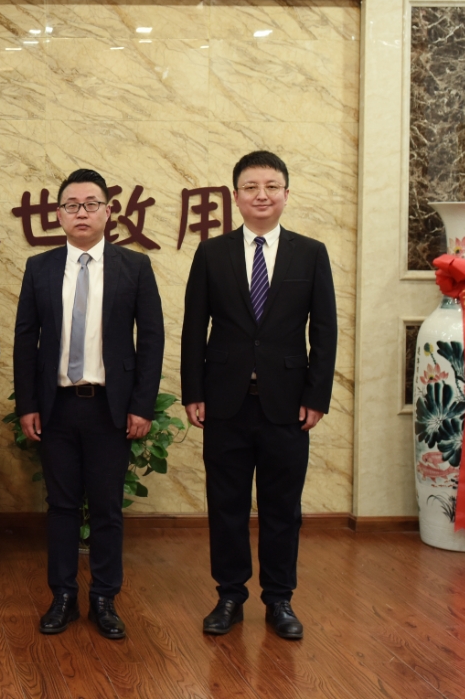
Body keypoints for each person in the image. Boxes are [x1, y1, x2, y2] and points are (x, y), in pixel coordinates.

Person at [181, 150, 337, 641]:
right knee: (225, 504)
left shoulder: (310, 253)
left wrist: (317, 395)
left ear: (286, 194)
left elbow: (325, 330)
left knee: (281, 507)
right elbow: (193, 328)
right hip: (224, 402)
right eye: (251, 187)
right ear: (236, 196)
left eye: (271, 186)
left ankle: (279, 598)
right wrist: (193, 391)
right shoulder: (212, 253)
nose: (261, 195)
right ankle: (229, 595)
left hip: (287, 404)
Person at [13, 168, 164, 640]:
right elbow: (25, 341)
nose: (82, 212)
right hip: (56, 407)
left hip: (109, 408)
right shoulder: (39, 268)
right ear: (59, 214)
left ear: (108, 211)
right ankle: (62, 596)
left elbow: (152, 340)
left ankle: (104, 598)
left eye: (91, 204)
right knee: (60, 506)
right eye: (72, 205)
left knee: (106, 508)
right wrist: (28, 404)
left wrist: (142, 406)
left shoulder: (133, 267)